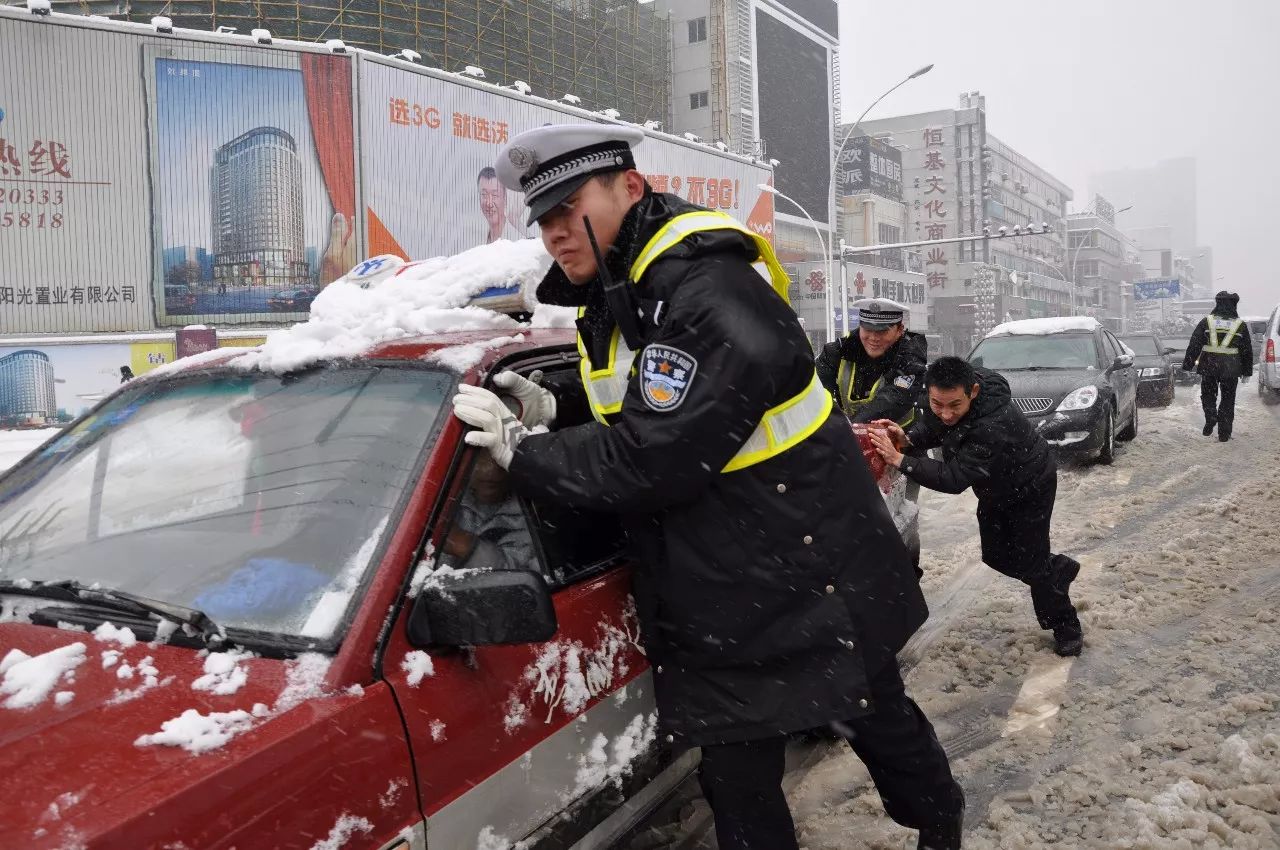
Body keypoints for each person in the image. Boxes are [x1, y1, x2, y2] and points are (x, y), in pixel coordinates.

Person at [451, 124, 964, 850]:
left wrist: (526, 454)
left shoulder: (709, 289)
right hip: (723, 575)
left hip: (808, 563)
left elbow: (651, 456)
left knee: (878, 720)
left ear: (631, 188)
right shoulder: (626, 289)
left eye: (569, 209)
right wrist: (555, 407)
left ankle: (942, 826)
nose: (556, 234)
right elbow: (650, 404)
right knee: (735, 775)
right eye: (544, 219)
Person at [868, 356, 1084, 658]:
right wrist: (909, 437)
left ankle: (1066, 627)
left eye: (954, 405)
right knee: (996, 555)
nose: (945, 413)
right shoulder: (945, 396)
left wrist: (899, 459)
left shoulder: (991, 424)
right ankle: (1057, 570)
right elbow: (938, 425)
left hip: (1030, 486)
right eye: (937, 403)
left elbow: (954, 478)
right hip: (995, 488)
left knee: (1034, 564)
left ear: (974, 391)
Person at [816, 297, 927, 425]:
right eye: (867, 329)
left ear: (900, 330)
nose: (874, 338)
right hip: (847, 437)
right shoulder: (835, 352)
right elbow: (817, 394)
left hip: (901, 438)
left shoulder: (911, 357)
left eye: (882, 331)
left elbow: (892, 400)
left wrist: (850, 427)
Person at [440, 453, 534, 572]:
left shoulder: (532, 517)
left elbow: (521, 579)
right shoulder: (444, 501)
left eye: (500, 458)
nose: (491, 469)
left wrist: (465, 545)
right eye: (482, 456)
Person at [1183, 290, 1253, 442]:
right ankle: (1224, 434)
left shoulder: (1207, 321)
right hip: (1231, 367)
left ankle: (1210, 416)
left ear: (1217, 304)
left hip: (1209, 365)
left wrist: (1188, 364)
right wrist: (1247, 371)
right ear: (1234, 306)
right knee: (1228, 400)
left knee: (1208, 394)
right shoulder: (1240, 325)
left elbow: (1195, 343)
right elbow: (1247, 349)